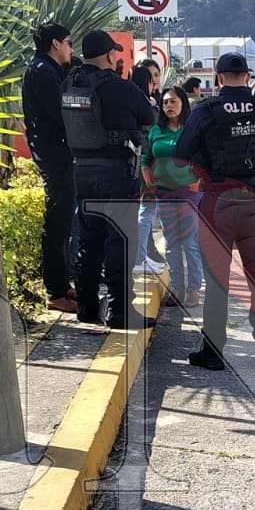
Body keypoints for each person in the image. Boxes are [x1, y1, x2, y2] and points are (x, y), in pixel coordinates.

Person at [174, 51, 255, 370]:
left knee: (217, 281)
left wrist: (204, 169)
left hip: (218, 203)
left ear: (219, 78)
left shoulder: (206, 110)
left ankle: (213, 353)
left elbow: (182, 152)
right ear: (248, 78)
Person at [65, 29, 156, 330]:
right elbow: (148, 117)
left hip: (81, 171)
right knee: (120, 241)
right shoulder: (120, 87)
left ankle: (87, 307)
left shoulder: (69, 84)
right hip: (116, 173)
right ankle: (119, 311)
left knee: (88, 241)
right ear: (108, 54)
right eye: (114, 52)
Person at [23, 22, 78, 315]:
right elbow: (61, 113)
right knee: (57, 221)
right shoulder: (42, 72)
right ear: (55, 43)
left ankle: (62, 284)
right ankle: (55, 291)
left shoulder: (53, 70)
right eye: (68, 42)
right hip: (54, 155)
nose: (71, 48)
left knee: (64, 221)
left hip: (59, 153)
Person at [142, 86, 205, 307]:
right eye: (166, 102)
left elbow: (205, 159)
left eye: (174, 101)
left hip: (189, 194)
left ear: (183, 104)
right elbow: (145, 159)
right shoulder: (155, 131)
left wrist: (197, 181)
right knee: (171, 243)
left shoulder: (192, 131)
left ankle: (194, 289)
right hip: (164, 194)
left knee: (190, 243)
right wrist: (150, 182)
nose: (169, 105)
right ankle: (177, 289)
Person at [128, 60, 165, 278]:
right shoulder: (146, 104)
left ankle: (142, 256)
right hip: (146, 163)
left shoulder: (127, 100)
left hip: (135, 162)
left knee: (144, 211)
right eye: (152, 79)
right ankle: (140, 258)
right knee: (146, 211)